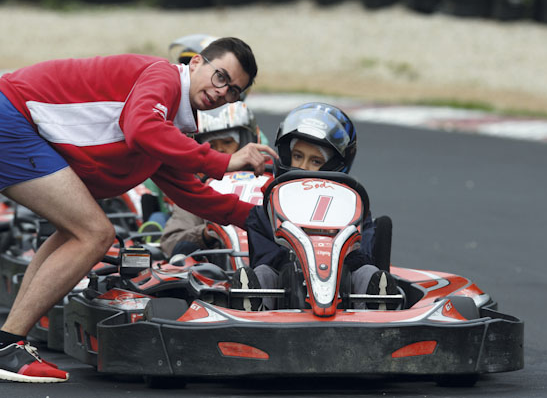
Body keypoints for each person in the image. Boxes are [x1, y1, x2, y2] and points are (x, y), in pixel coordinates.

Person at [0, 37, 277, 382]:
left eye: (234, 91)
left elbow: (192, 193)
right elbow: (142, 129)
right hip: (11, 117)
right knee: (95, 233)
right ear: (196, 64)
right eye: (221, 77)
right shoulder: (163, 78)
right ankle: (8, 346)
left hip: (16, 121)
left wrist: (263, 220)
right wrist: (225, 160)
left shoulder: (172, 125)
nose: (223, 93)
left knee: (77, 231)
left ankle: (8, 342)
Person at [231, 102, 400, 312]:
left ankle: (376, 309)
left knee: (366, 272)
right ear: (286, 155)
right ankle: (253, 307)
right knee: (263, 273)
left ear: (335, 165)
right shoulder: (269, 207)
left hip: (341, 283)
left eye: (315, 160)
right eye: (298, 156)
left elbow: (362, 255)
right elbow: (264, 257)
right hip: (283, 288)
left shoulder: (351, 206)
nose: (302, 167)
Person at [161, 101, 265, 258]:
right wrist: (207, 233)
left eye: (228, 142)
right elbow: (170, 243)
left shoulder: (270, 183)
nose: (221, 150)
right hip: (219, 274)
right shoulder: (195, 189)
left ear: (246, 141)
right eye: (211, 145)